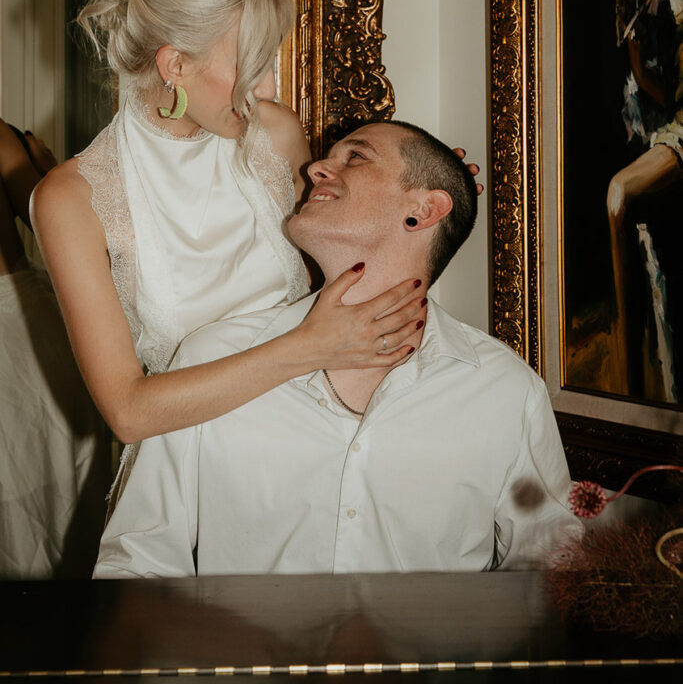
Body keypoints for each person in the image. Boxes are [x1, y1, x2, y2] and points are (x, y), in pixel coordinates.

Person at [94, 120, 580, 578]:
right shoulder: (211, 355)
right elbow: (138, 561)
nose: (315, 169)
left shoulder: (504, 390)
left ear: (424, 210)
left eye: (356, 156)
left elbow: (553, 572)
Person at [30, 0, 426, 464]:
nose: (267, 89)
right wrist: (308, 347)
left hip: (320, 437)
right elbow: (128, 412)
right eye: (250, 62)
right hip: (196, 465)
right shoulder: (71, 199)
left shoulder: (277, 136)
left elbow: (346, 264)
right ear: (175, 65)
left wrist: (425, 202)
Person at [0, 119, 109, 578]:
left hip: (18, 326)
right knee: (48, 483)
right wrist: (48, 171)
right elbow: (52, 217)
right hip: (16, 326)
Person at [608, 0, 683, 399]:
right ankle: (638, 390)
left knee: (618, 193)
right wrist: (637, 52)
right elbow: (658, 86)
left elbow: (675, 89)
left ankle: (631, 380)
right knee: (645, 239)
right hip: (665, 126)